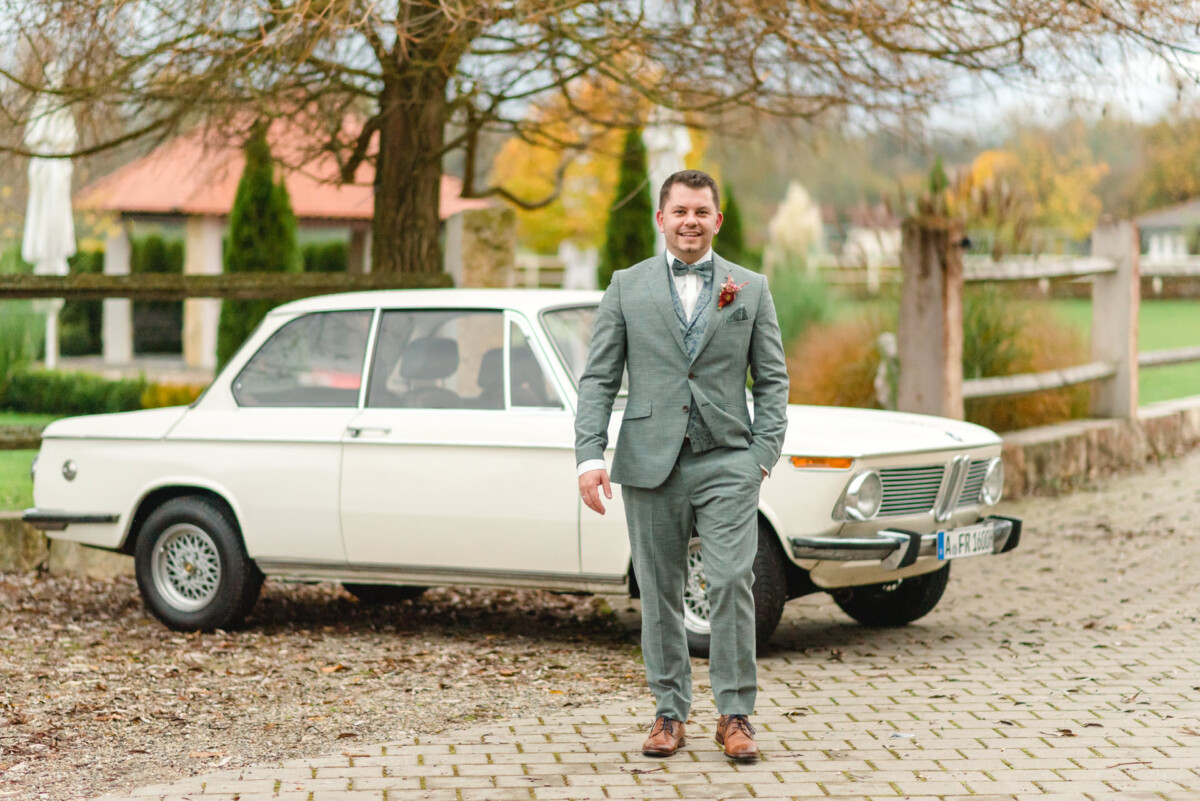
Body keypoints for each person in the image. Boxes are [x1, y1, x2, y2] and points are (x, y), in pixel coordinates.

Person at [574, 170, 789, 760]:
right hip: (649, 461)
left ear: (716, 221)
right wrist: (589, 456)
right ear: (661, 220)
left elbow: (772, 380)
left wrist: (761, 456)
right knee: (661, 590)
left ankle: (736, 713)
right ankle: (669, 713)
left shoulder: (750, 287)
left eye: (701, 212)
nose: (690, 221)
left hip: (727, 459)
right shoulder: (626, 286)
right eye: (680, 211)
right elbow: (598, 378)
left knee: (728, 582)